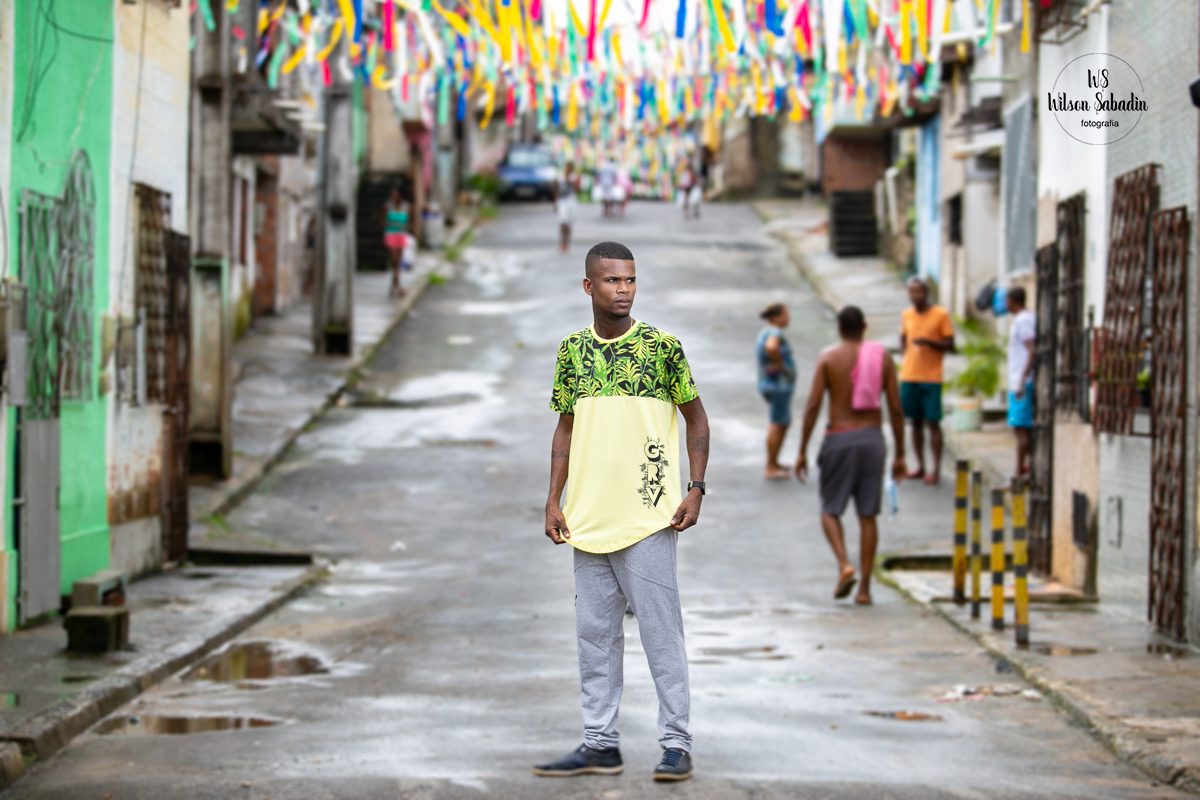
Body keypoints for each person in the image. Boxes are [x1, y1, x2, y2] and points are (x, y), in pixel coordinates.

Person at [536, 241, 709, 783]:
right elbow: (564, 429)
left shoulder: (662, 348)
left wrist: (696, 487)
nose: (624, 290)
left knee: (662, 636)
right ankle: (599, 743)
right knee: (595, 639)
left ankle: (676, 744)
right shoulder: (571, 353)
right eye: (612, 281)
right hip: (587, 521)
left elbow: (698, 422)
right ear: (589, 286)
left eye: (630, 280)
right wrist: (553, 497)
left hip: (649, 519)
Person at [795, 306, 906, 605]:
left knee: (830, 509)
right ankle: (865, 589)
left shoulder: (828, 358)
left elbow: (813, 406)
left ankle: (845, 564)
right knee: (868, 515)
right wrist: (901, 454)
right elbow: (896, 408)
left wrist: (802, 450)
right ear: (865, 327)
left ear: (840, 329)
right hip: (872, 439)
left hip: (839, 439)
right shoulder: (882, 358)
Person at [898, 276, 954, 484]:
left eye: (919, 292)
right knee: (914, 423)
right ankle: (920, 466)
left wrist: (929, 342)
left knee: (933, 424)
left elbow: (950, 344)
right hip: (909, 376)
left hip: (931, 378)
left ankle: (935, 469)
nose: (915, 296)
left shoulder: (940, 314)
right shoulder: (906, 315)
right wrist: (905, 357)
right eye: (911, 292)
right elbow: (903, 337)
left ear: (927, 293)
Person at [757, 303, 796, 479]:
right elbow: (772, 347)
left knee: (783, 422)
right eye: (785, 315)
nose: (788, 318)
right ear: (775, 317)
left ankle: (774, 461)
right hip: (777, 385)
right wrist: (780, 364)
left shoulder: (767, 331)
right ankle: (770, 467)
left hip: (774, 384)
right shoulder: (774, 332)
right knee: (777, 423)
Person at [1005, 286, 1036, 481]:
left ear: (1012, 300)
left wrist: (1022, 379)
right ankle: (1026, 469)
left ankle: (1019, 473)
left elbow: (1031, 349)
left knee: (1021, 429)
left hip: (1022, 382)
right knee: (1023, 428)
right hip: (1021, 380)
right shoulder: (1027, 318)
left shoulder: (1023, 320)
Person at [381, 187, 411, 297]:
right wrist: (388, 224)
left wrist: (407, 226)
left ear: (400, 196)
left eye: (395, 194)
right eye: (391, 194)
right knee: (395, 260)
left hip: (402, 235)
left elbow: (411, 222)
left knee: (397, 263)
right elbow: (382, 220)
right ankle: (399, 287)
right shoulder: (387, 206)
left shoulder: (407, 207)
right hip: (390, 235)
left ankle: (394, 286)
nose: (393, 196)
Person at [554, 162, 580, 253]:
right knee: (562, 222)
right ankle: (562, 243)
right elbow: (556, 190)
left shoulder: (574, 177)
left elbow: (578, 190)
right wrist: (555, 203)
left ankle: (567, 243)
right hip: (562, 203)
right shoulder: (560, 177)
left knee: (570, 223)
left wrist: (570, 182)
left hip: (572, 203)